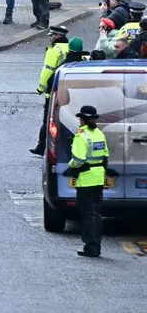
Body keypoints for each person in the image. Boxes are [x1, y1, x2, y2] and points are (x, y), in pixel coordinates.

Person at [62, 105, 109, 257]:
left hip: (86, 179)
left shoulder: (81, 136)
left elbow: (78, 159)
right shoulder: (99, 134)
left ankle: (91, 247)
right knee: (96, 214)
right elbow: (105, 155)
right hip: (99, 177)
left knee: (88, 214)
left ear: (82, 119)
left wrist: (70, 167)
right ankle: (96, 245)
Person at [31, 25, 69, 156]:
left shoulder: (54, 49)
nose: (50, 38)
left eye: (52, 36)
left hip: (52, 89)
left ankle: (42, 147)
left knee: (48, 119)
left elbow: (47, 70)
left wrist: (40, 89)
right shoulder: (68, 47)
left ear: (57, 36)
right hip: (67, 88)